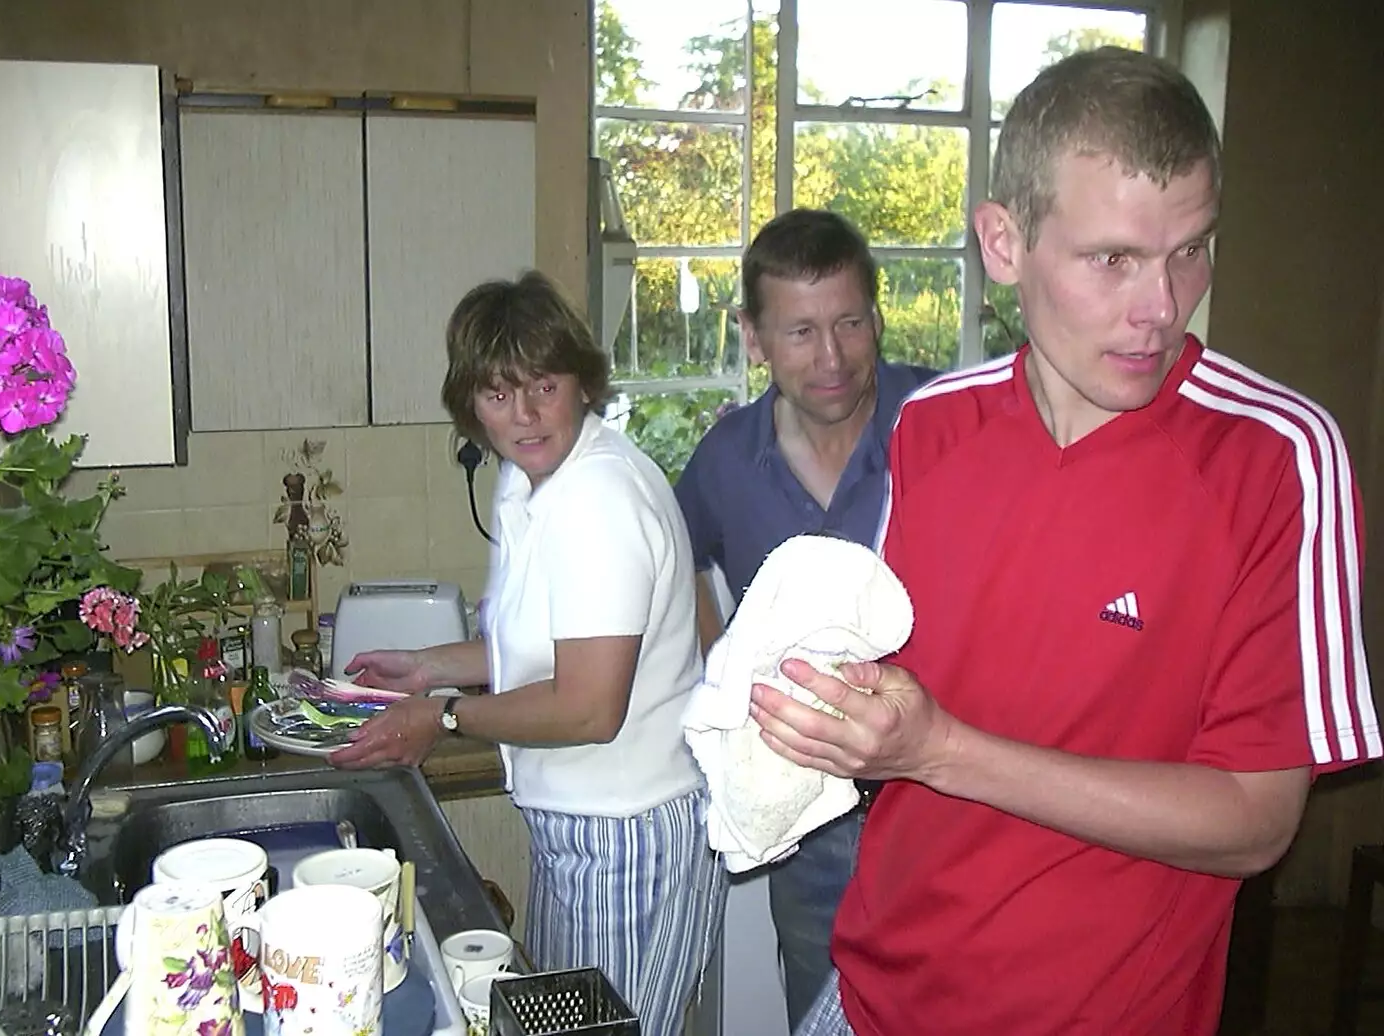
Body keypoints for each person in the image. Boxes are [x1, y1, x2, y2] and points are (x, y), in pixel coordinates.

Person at [753, 47, 1380, 1036]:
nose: (1162, 308)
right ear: (1003, 243)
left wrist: (941, 751)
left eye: (1189, 249)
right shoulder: (932, 425)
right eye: (1113, 258)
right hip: (872, 992)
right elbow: (896, 690)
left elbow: (1256, 821)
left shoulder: (1275, 457)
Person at [328, 271, 724, 1036]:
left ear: (581, 382)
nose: (525, 414)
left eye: (544, 385)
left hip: (629, 837)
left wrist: (442, 720)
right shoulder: (535, 480)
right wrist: (431, 668)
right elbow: (546, 644)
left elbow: (587, 704)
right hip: (579, 827)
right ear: (470, 403)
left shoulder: (595, 502)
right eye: (499, 394)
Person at [674, 207, 936, 1031]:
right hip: (811, 813)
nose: (832, 358)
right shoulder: (724, 462)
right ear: (754, 337)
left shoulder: (945, 421)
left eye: (850, 323)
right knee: (822, 1008)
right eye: (799, 332)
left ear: (877, 318)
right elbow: (676, 564)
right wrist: (728, 678)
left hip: (943, 797)